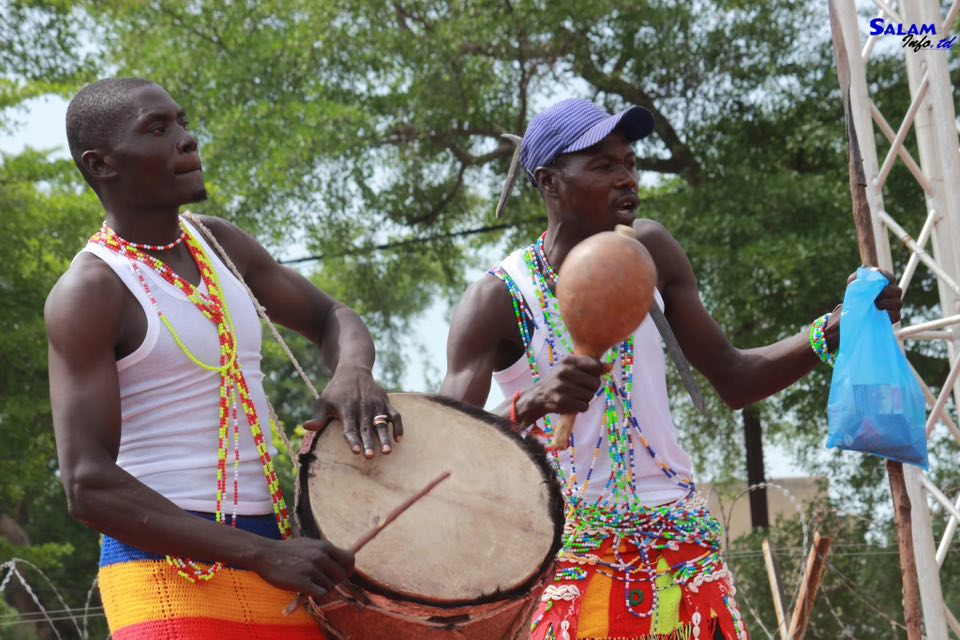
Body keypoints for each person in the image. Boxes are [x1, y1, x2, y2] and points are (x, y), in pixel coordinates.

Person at [439, 98, 903, 640]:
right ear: (550, 182)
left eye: (630, 163)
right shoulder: (499, 299)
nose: (626, 179)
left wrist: (831, 331)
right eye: (604, 166)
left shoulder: (651, 250)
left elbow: (733, 377)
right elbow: (449, 455)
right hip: (570, 561)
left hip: (683, 556)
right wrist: (533, 402)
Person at [45, 77, 403, 639]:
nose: (187, 140)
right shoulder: (91, 289)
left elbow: (332, 315)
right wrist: (257, 554)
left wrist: (354, 374)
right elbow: (86, 484)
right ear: (102, 164)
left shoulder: (220, 244)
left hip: (279, 564)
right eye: (159, 130)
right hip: (162, 577)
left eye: (182, 123)